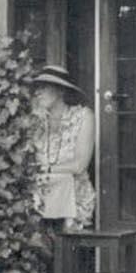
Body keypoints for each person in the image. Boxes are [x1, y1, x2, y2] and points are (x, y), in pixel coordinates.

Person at [31, 65, 96, 231]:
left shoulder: (83, 116)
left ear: (60, 89)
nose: (37, 93)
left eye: (43, 87)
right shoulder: (35, 121)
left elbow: (80, 165)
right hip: (38, 195)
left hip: (73, 198)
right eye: (36, 88)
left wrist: (44, 168)